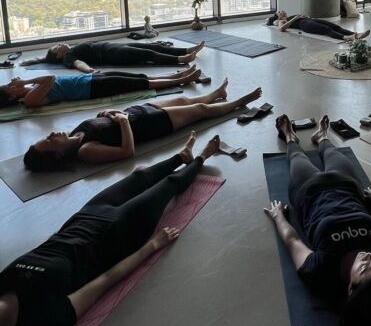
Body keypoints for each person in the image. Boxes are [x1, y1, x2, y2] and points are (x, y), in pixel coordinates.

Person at [0, 133, 221, 326]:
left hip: (82, 218)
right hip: (117, 233)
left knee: (139, 177)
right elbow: (105, 280)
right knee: (170, 184)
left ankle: (181, 156)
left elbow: (42, 249)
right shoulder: (43, 318)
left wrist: (68, 227)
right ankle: (202, 157)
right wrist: (153, 244)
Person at [264, 114, 371, 325]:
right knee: (331, 151)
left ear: (350, 288)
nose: (368, 256)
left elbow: (293, 241)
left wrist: (278, 217)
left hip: (309, 192)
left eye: (365, 267)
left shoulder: (322, 271)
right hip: (347, 185)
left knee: (297, 157)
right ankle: (321, 137)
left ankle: (289, 135)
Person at [23, 79, 262, 171]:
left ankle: (216, 94)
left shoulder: (76, 133)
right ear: (57, 154)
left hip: (135, 112)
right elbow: (127, 152)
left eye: (46, 136)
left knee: (182, 99)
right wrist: (124, 121)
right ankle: (240, 102)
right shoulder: (86, 152)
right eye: (49, 141)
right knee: (199, 112)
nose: (51, 134)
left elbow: (101, 123)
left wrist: (106, 112)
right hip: (150, 125)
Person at [0, 66, 201, 109]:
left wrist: (25, 83)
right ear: (10, 97)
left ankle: (176, 74)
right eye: (9, 87)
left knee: (135, 75)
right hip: (91, 89)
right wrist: (25, 83)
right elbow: (50, 79)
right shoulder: (29, 99)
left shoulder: (29, 90)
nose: (11, 84)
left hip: (88, 79)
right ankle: (181, 81)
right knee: (141, 84)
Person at [20, 40, 206, 73]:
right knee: (147, 54)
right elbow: (78, 64)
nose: (61, 44)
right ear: (58, 54)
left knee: (152, 45)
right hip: (112, 54)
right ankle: (179, 60)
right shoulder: (68, 56)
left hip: (114, 46)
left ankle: (185, 50)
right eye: (57, 47)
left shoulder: (69, 50)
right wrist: (89, 70)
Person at [267, 11, 369, 41]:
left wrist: (303, 16)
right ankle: (346, 37)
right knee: (326, 29)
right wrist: (295, 18)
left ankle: (355, 34)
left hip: (309, 20)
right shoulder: (282, 21)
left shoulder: (288, 16)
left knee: (335, 26)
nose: (282, 10)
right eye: (279, 12)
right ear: (278, 17)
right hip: (304, 25)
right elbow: (281, 29)